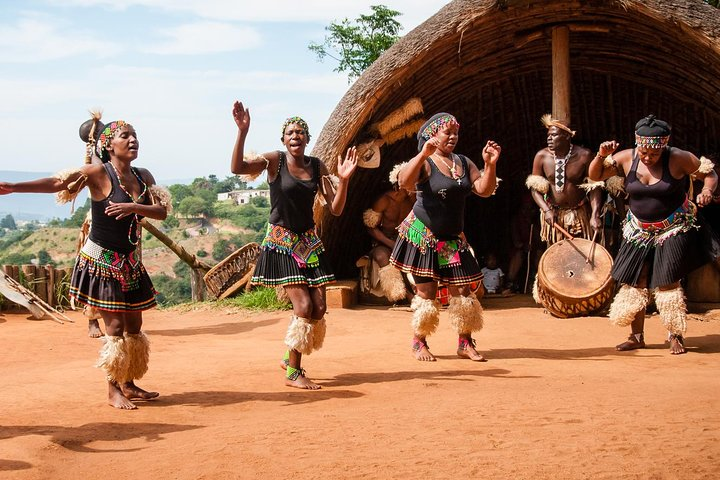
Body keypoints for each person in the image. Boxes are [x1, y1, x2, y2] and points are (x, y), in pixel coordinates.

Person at [0, 111, 171, 408]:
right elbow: (57, 183)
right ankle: (112, 389)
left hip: (129, 261)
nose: (133, 140)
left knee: (134, 326)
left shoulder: (144, 176)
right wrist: (15, 187)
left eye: (135, 135)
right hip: (101, 261)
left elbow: (161, 212)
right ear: (108, 145)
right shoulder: (97, 173)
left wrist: (133, 206)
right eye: (125, 136)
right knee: (115, 327)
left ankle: (128, 383)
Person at [230, 100, 357, 389]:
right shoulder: (274, 161)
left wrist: (345, 181)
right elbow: (237, 167)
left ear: (308, 139)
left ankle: (291, 358)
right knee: (302, 305)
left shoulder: (317, 165)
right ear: (283, 140)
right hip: (282, 241)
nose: (295, 136)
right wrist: (242, 132)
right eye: (290, 132)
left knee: (319, 307)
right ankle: (294, 373)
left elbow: (335, 209)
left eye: (300, 132)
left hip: (309, 243)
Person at [588, 115, 719, 354]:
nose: (647, 157)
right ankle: (636, 336)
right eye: (644, 152)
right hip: (638, 229)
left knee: (668, 280)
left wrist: (707, 191)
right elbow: (596, 176)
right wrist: (600, 155)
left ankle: (674, 334)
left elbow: (709, 174)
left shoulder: (679, 158)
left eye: (654, 154)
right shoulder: (626, 158)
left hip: (674, 226)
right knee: (637, 280)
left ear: (664, 145)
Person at [390, 112, 500, 362]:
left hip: (451, 239)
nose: (452, 137)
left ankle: (465, 342)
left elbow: (484, 190)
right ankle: (419, 342)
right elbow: (405, 182)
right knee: (427, 292)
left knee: (462, 291)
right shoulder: (426, 163)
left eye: (455, 133)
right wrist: (422, 155)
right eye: (446, 133)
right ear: (432, 136)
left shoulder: (463, 162)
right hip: (424, 237)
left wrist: (490, 164)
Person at [526, 114, 603, 245]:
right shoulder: (542, 156)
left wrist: (595, 215)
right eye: (548, 135)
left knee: (583, 256)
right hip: (554, 215)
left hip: (581, 214)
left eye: (554, 135)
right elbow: (534, 189)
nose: (549, 139)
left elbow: (594, 187)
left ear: (567, 136)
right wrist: (546, 210)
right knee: (558, 258)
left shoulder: (584, 156)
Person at [361, 163, 415, 304]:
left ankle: (420, 292)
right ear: (399, 184)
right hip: (384, 242)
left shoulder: (413, 201)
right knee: (382, 255)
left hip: (407, 240)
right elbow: (370, 227)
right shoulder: (384, 200)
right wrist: (391, 243)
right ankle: (403, 295)